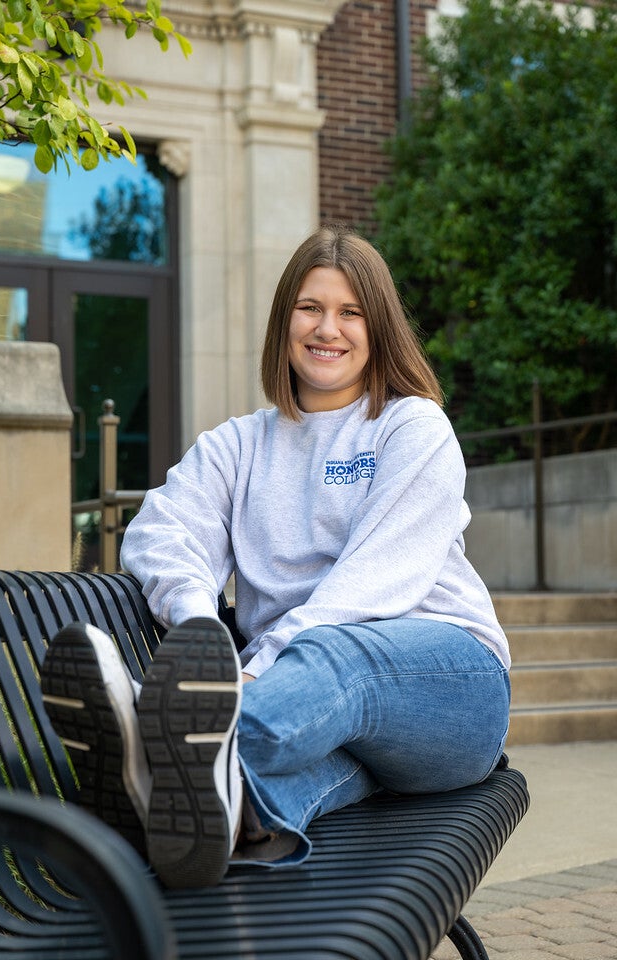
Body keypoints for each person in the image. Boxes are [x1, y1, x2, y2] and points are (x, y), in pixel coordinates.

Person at [40, 223, 511, 890]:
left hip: (450, 694)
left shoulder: (413, 427)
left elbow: (368, 591)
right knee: (258, 785)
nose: (329, 329)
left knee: (338, 653)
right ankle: (216, 819)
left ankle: (144, 735)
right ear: (284, 320)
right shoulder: (238, 446)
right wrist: (199, 622)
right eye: (310, 308)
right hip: (320, 720)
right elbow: (159, 531)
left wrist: (250, 675)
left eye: (351, 313)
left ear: (378, 329)